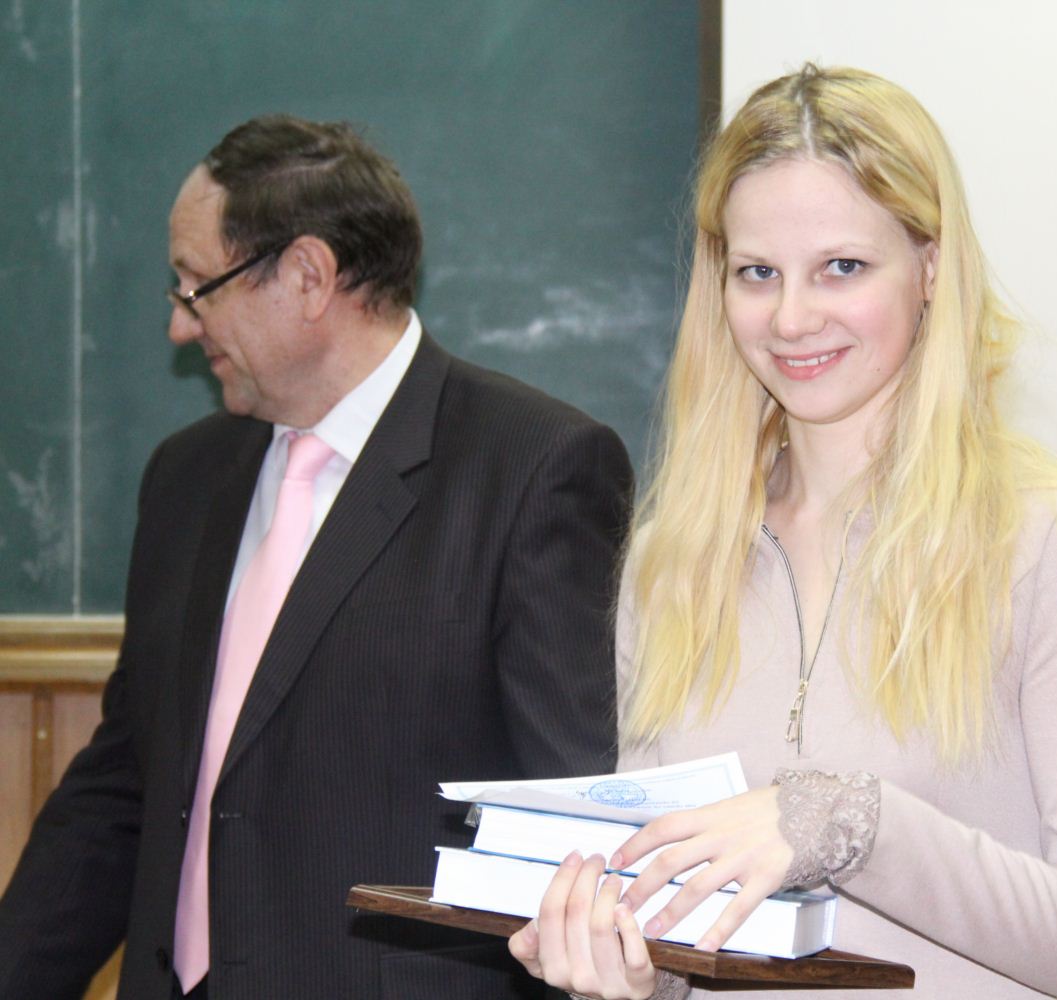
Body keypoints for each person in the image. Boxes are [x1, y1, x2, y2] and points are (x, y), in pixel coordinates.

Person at [507, 66, 1057, 999]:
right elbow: (683, 934)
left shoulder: (1044, 539)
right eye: (758, 274)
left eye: (842, 268)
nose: (791, 318)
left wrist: (849, 825)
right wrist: (624, 974)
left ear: (930, 268)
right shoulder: (674, 559)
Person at [0, 115, 632, 1000]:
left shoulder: (531, 467)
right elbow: (126, 784)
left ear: (306, 276)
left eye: (196, 286)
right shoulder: (185, 479)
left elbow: (564, 825)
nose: (180, 325)